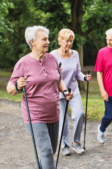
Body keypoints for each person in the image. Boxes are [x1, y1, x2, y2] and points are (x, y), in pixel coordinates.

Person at [6, 25, 73, 169]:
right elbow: (10, 88)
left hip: (54, 113)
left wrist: (66, 92)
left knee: (51, 151)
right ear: (33, 42)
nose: (48, 42)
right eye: (44, 39)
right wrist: (18, 86)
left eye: (48, 39)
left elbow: (59, 79)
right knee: (46, 152)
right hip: (35, 115)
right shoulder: (23, 63)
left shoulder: (52, 59)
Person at [50, 29, 92, 156]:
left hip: (73, 90)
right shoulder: (52, 55)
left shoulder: (75, 54)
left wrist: (84, 77)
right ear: (60, 40)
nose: (69, 44)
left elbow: (78, 72)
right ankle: (64, 145)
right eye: (67, 41)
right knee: (63, 120)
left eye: (71, 41)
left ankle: (76, 142)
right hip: (59, 92)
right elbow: (49, 75)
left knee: (80, 114)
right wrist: (56, 72)